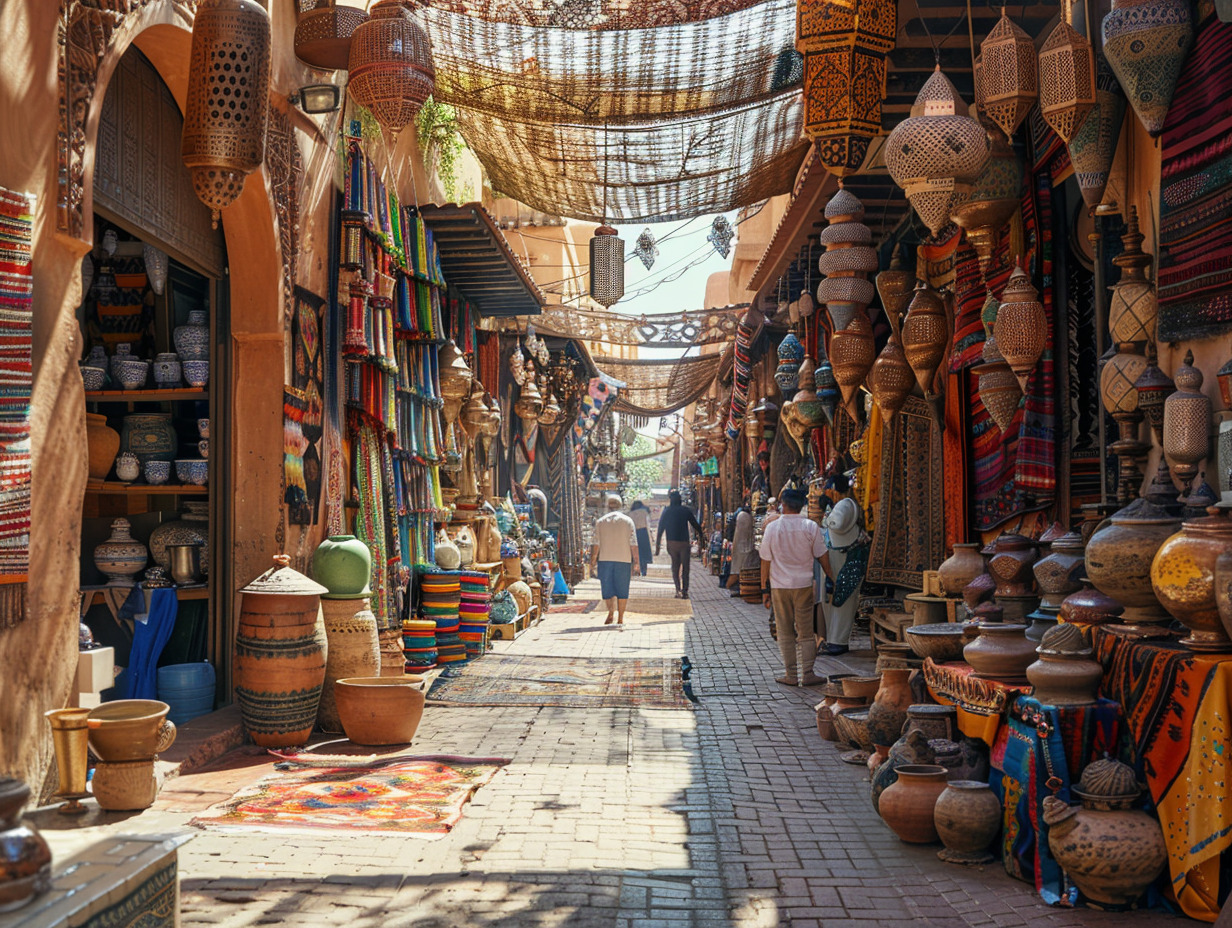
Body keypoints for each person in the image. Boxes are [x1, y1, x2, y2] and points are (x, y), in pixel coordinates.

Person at [760, 487, 826, 686]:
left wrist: (765, 589)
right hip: (803, 585)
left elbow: (765, 561)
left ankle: (791, 674)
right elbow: (822, 556)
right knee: (806, 631)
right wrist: (832, 577)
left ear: (783, 505)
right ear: (801, 506)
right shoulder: (810, 526)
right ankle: (808, 673)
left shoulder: (772, 528)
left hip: (780, 587)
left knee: (785, 631)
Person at [819, 497, 868, 656]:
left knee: (841, 606)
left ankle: (837, 641)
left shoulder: (827, 533)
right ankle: (834, 640)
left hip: (839, 571)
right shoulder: (859, 539)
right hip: (839, 570)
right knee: (838, 606)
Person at [590, 494, 639, 626]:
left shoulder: (600, 521)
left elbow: (596, 543)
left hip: (605, 559)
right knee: (623, 589)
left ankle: (611, 612)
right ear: (621, 505)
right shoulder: (628, 521)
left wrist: (593, 561)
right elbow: (633, 543)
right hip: (624, 559)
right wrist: (637, 562)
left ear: (607, 506)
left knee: (607, 589)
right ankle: (621, 618)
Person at [655, 489, 704, 599]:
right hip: (684, 543)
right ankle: (685, 591)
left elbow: (660, 528)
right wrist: (702, 539)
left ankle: (677, 590)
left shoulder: (666, 511)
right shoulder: (685, 510)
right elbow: (696, 525)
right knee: (686, 568)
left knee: (675, 566)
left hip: (671, 543)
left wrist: (657, 547)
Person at [728, 500, 754, 596]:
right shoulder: (744, 516)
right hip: (744, 544)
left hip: (739, 544)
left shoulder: (740, 515)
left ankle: (736, 587)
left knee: (737, 566)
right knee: (740, 566)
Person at [629, 500, 653, 575]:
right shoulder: (644, 512)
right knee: (644, 553)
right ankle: (644, 570)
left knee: (634, 552)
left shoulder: (630, 514)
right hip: (643, 533)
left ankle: (635, 570)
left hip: (633, 533)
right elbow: (648, 523)